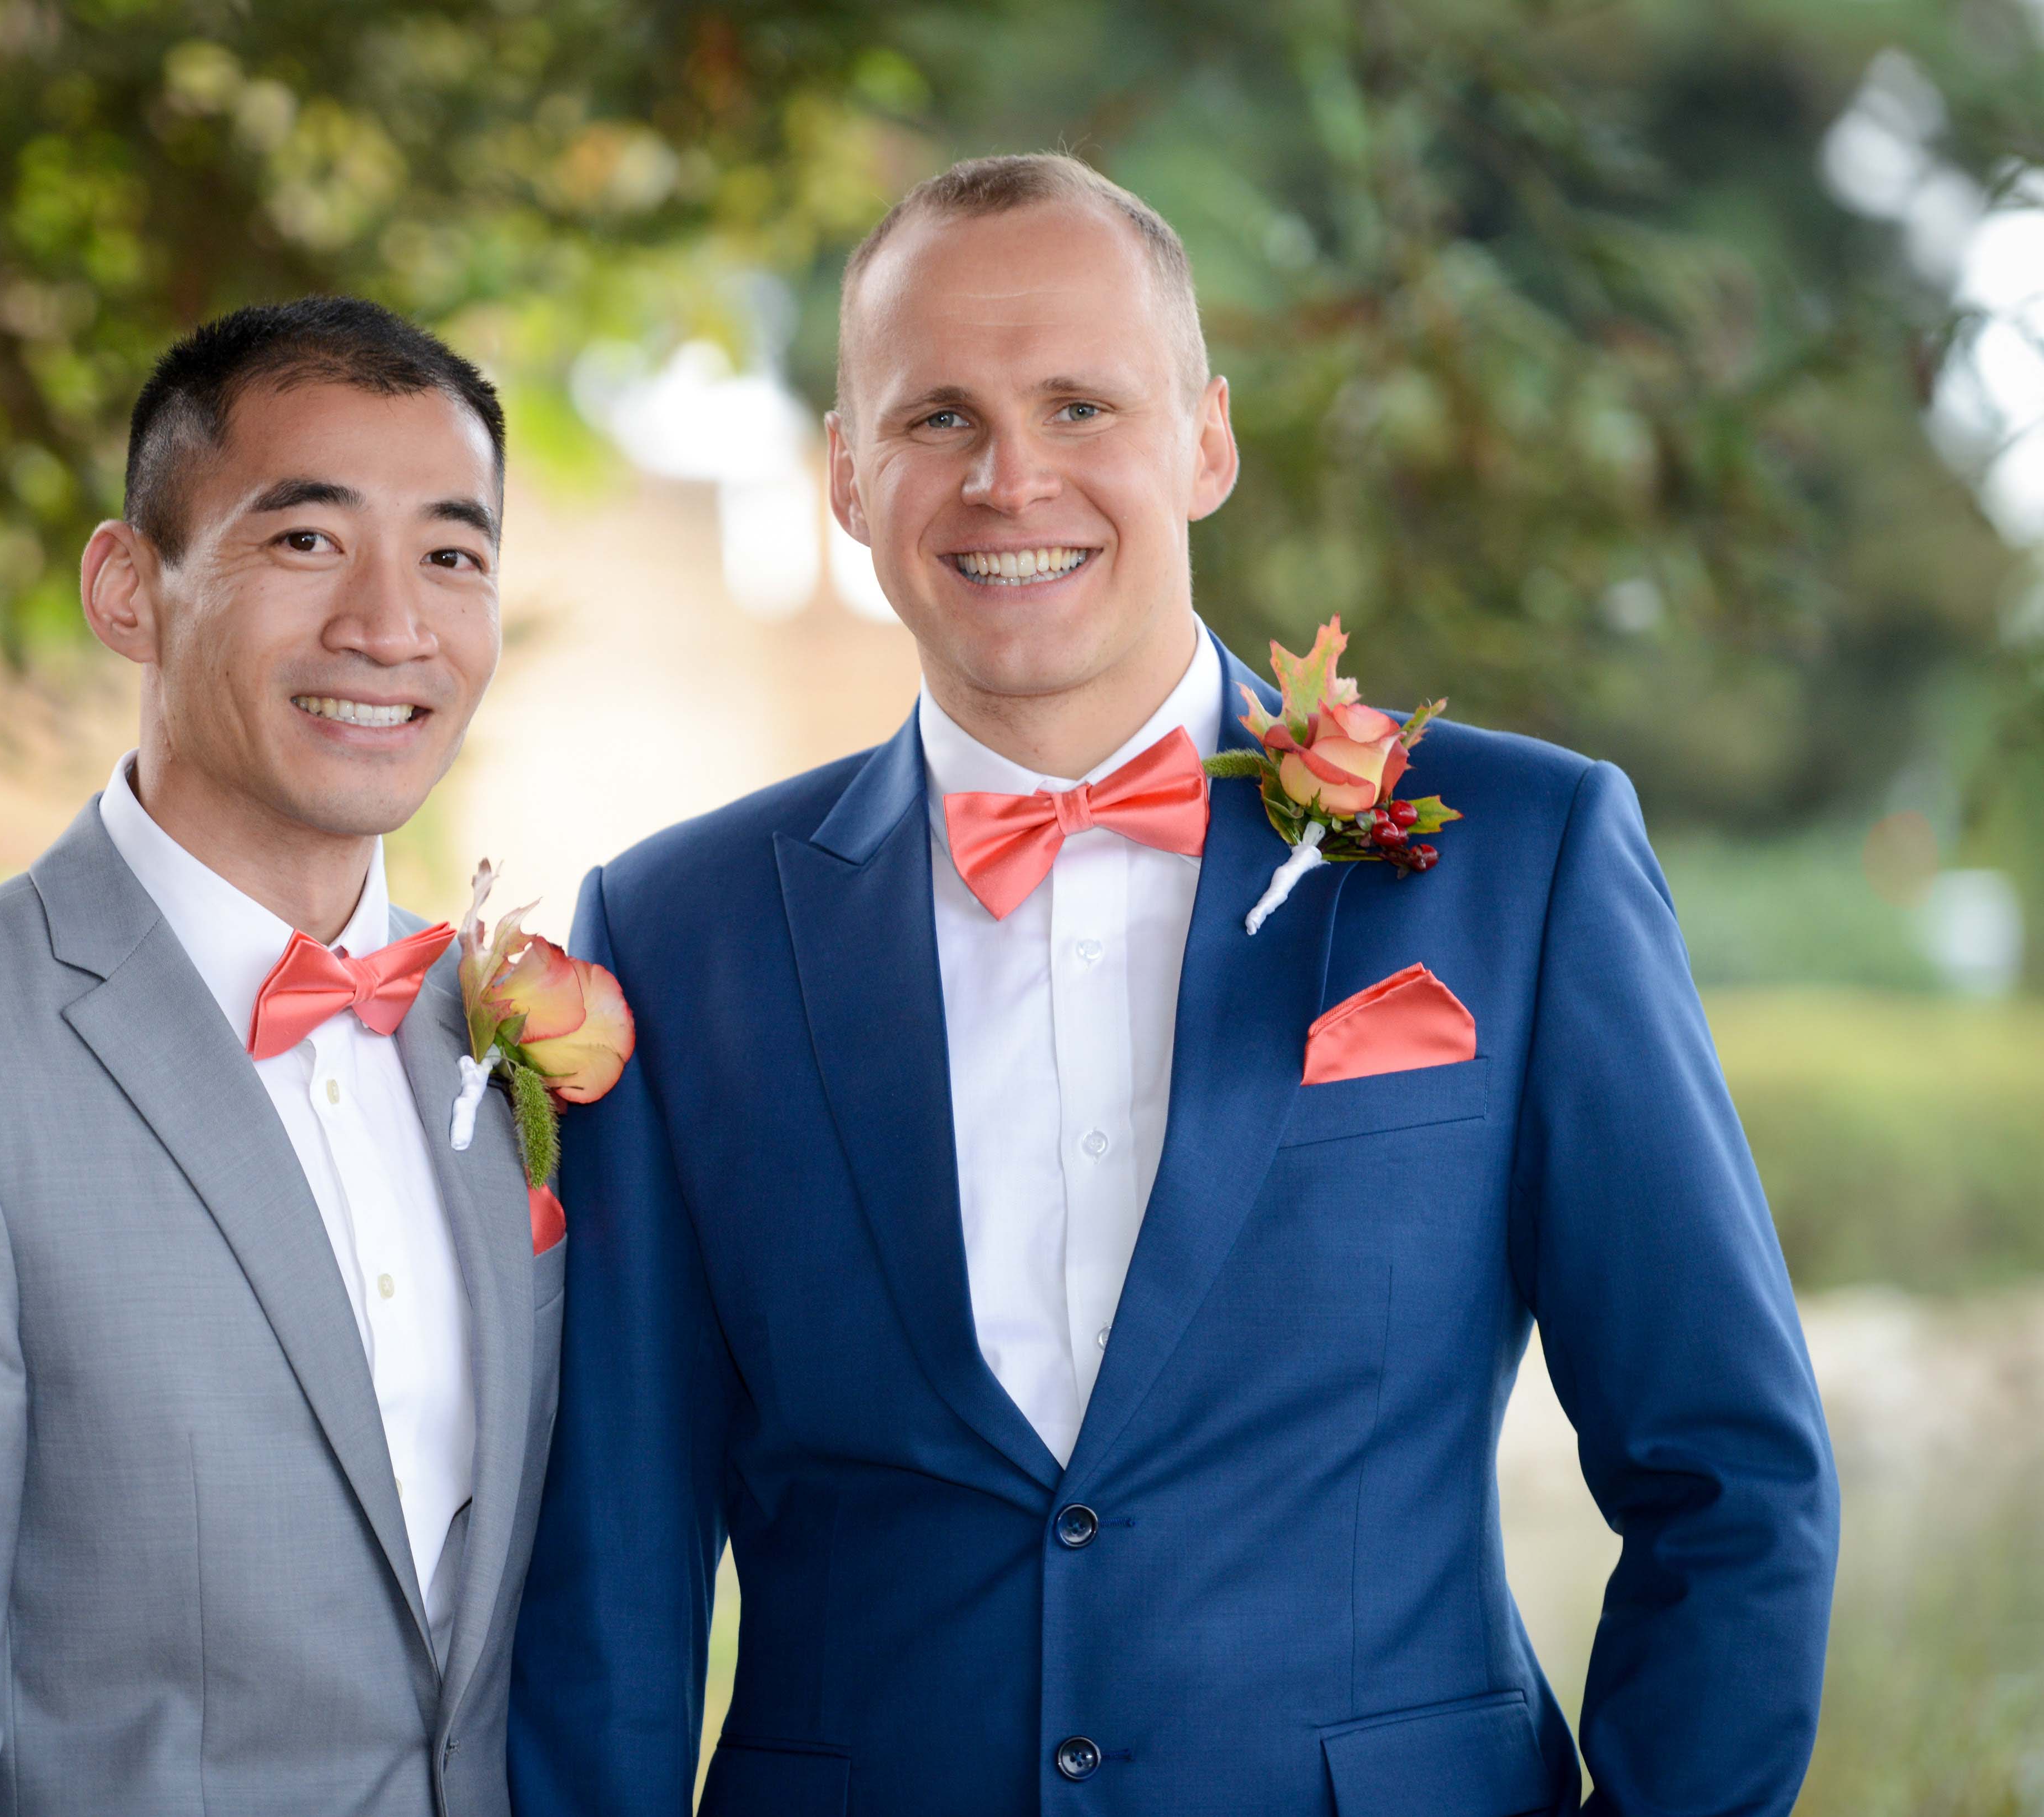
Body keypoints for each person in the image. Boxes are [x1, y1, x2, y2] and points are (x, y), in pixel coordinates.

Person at [508, 155, 1836, 1816]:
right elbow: (615, 1575)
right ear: (846, 479)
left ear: (1206, 440)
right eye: (936, 421)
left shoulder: (1524, 857)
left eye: (1080, 405)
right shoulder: (678, 928)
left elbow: (1730, 1476)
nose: (1011, 477)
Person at [0, 296, 566, 1816]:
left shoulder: (500, 1049)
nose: (391, 623)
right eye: (305, 541)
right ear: (130, 588)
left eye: (452, 554)